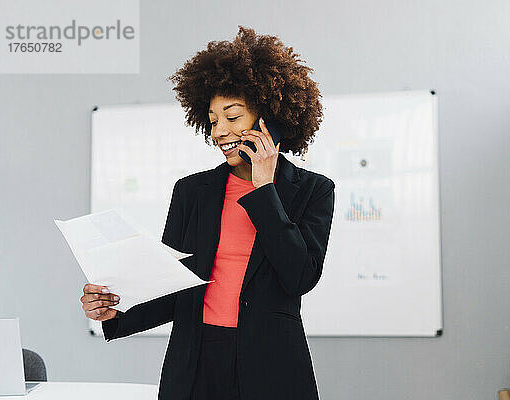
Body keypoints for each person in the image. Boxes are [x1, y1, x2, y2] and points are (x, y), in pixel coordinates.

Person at [79, 25, 335, 400]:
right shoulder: (192, 192)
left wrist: (264, 188)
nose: (219, 131)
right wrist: (114, 313)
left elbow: (299, 278)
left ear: (269, 118)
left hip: (272, 365)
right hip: (196, 363)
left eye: (232, 116)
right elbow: (172, 287)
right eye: (213, 120)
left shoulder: (312, 190)